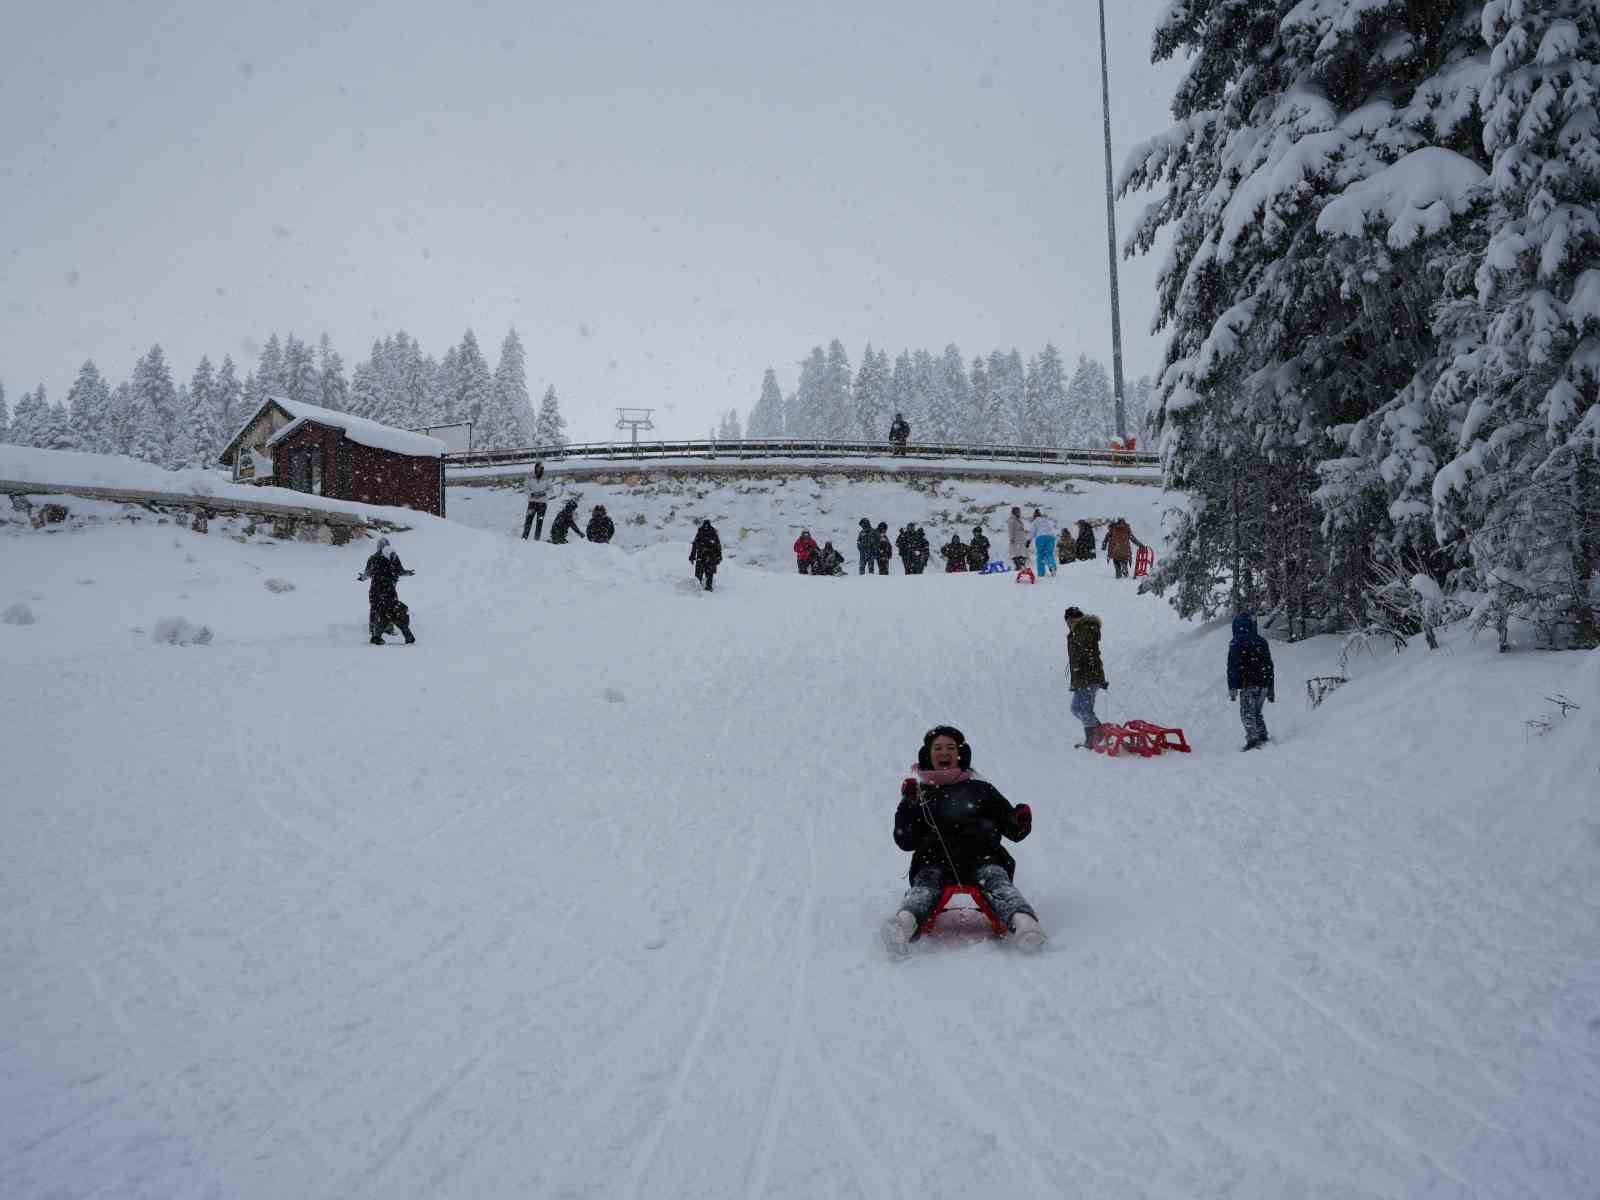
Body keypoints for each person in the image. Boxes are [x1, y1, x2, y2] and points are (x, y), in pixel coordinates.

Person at [881, 726, 1045, 956]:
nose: (944, 752)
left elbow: (1013, 831)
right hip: (933, 860)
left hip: (983, 857)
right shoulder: (920, 794)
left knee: (997, 882)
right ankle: (902, 926)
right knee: (925, 888)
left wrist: (1019, 819)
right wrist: (908, 805)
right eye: (937, 748)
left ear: (960, 753)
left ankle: (1026, 925)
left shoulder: (980, 790)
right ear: (928, 755)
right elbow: (906, 840)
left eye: (950, 747)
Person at [1227, 612, 1276, 750]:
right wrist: (1271, 689)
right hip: (1264, 684)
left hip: (1248, 684)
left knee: (1247, 713)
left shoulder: (1236, 643)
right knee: (1257, 711)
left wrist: (1233, 688)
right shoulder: (1261, 641)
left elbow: (1233, 668)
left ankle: (1253, 739)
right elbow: (1269, 665)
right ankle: (1262, 735)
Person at [357, 536, 416, 645]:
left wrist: (363, 578)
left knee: (378, 609)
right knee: (391, 609)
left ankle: (376, 631)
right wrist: (407, 573)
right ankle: (385, 630)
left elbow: (367, 573)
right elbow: (400, 571)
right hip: (387, 588)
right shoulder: (389, 557)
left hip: (378, 589)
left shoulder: (376, 558)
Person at [1064, 606, 1107, 748]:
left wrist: (1081, 661)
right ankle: (1094, 736)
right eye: (1069, 620)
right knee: (1077, 708)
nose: (1071, 623)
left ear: (1079, 618)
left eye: (1073, 619)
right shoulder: (1078, 631)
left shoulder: (1085, 629)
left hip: (1089, 677)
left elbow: (1088, 648)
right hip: (1082, 678)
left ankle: (1096, 736)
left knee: (1082, 709)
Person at [521, 461, 551, 541]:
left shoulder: (546, 477)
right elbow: (525, 488)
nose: (539, 470)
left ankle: (536, 539)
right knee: (528, 520)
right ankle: (524, 537)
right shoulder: (529, 476)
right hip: (532, 503)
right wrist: (531, 494)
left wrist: (543, 493)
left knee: (539, 521)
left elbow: (551, 489)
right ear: (535, 468)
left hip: (542, 504)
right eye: (537, 468)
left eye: (541, 468)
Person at [690, 519, 722, 591]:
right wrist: (719, 557)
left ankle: (701, 588)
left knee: (702, 574)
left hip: (703, 556)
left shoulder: (702, 532)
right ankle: (706, 588)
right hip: (708, 557)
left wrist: (692, 556)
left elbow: (695, 545)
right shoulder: (712, 533)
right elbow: (718, 546)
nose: (706, 527)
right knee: (707, 574)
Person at [1031, 508, 1058, 576]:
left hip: (1040, 538)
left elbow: (1032, 533)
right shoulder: (1046, 520)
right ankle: (1052, 565)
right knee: (1049, 553)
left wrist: (1028, 541)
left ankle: (1041, 573)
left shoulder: (1035, 521)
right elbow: (1052, 529)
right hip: (1051, 537)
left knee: (1040, 555)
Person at [1007, 506, 1029, 570]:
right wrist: (1012, 538)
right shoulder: (1012, 519)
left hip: (1021, 539)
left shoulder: (1017, 519)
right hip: (1016, 539)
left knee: (1021, 553)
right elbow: (1011, 530)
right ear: (1015, 512)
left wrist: (1024, 531)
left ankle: (1022, 565)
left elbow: (1019, 528)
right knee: (1016, 553)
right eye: (1018, 512)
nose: (1020, 513)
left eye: (1019, 511)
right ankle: (1018, 566)